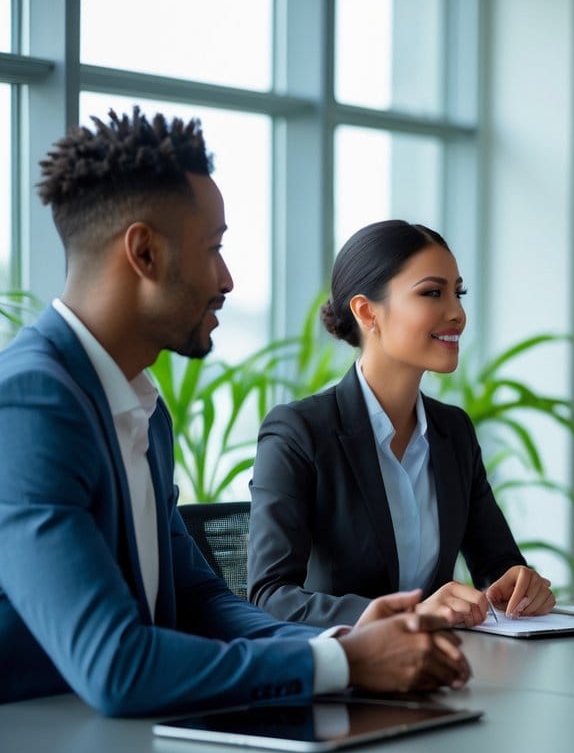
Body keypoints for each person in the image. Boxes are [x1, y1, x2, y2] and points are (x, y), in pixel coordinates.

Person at [0, 108, 470, 716]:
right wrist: (345, 663)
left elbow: (201, 601)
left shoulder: (139, 407)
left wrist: (347, 641)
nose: (226, 279)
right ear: (143, 252)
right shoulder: (30, 403)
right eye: (214, 249)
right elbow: (117, 665)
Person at [247, 219, 554, 628]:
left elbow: (496, 565)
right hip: (349, 673)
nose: (457, 313)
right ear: (366, 311)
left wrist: (517, 584)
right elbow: (270, 596)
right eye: (432, 293)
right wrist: (410, 614)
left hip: (441, 668)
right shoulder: (299, 433)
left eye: (457, 293)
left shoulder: (453, 432)